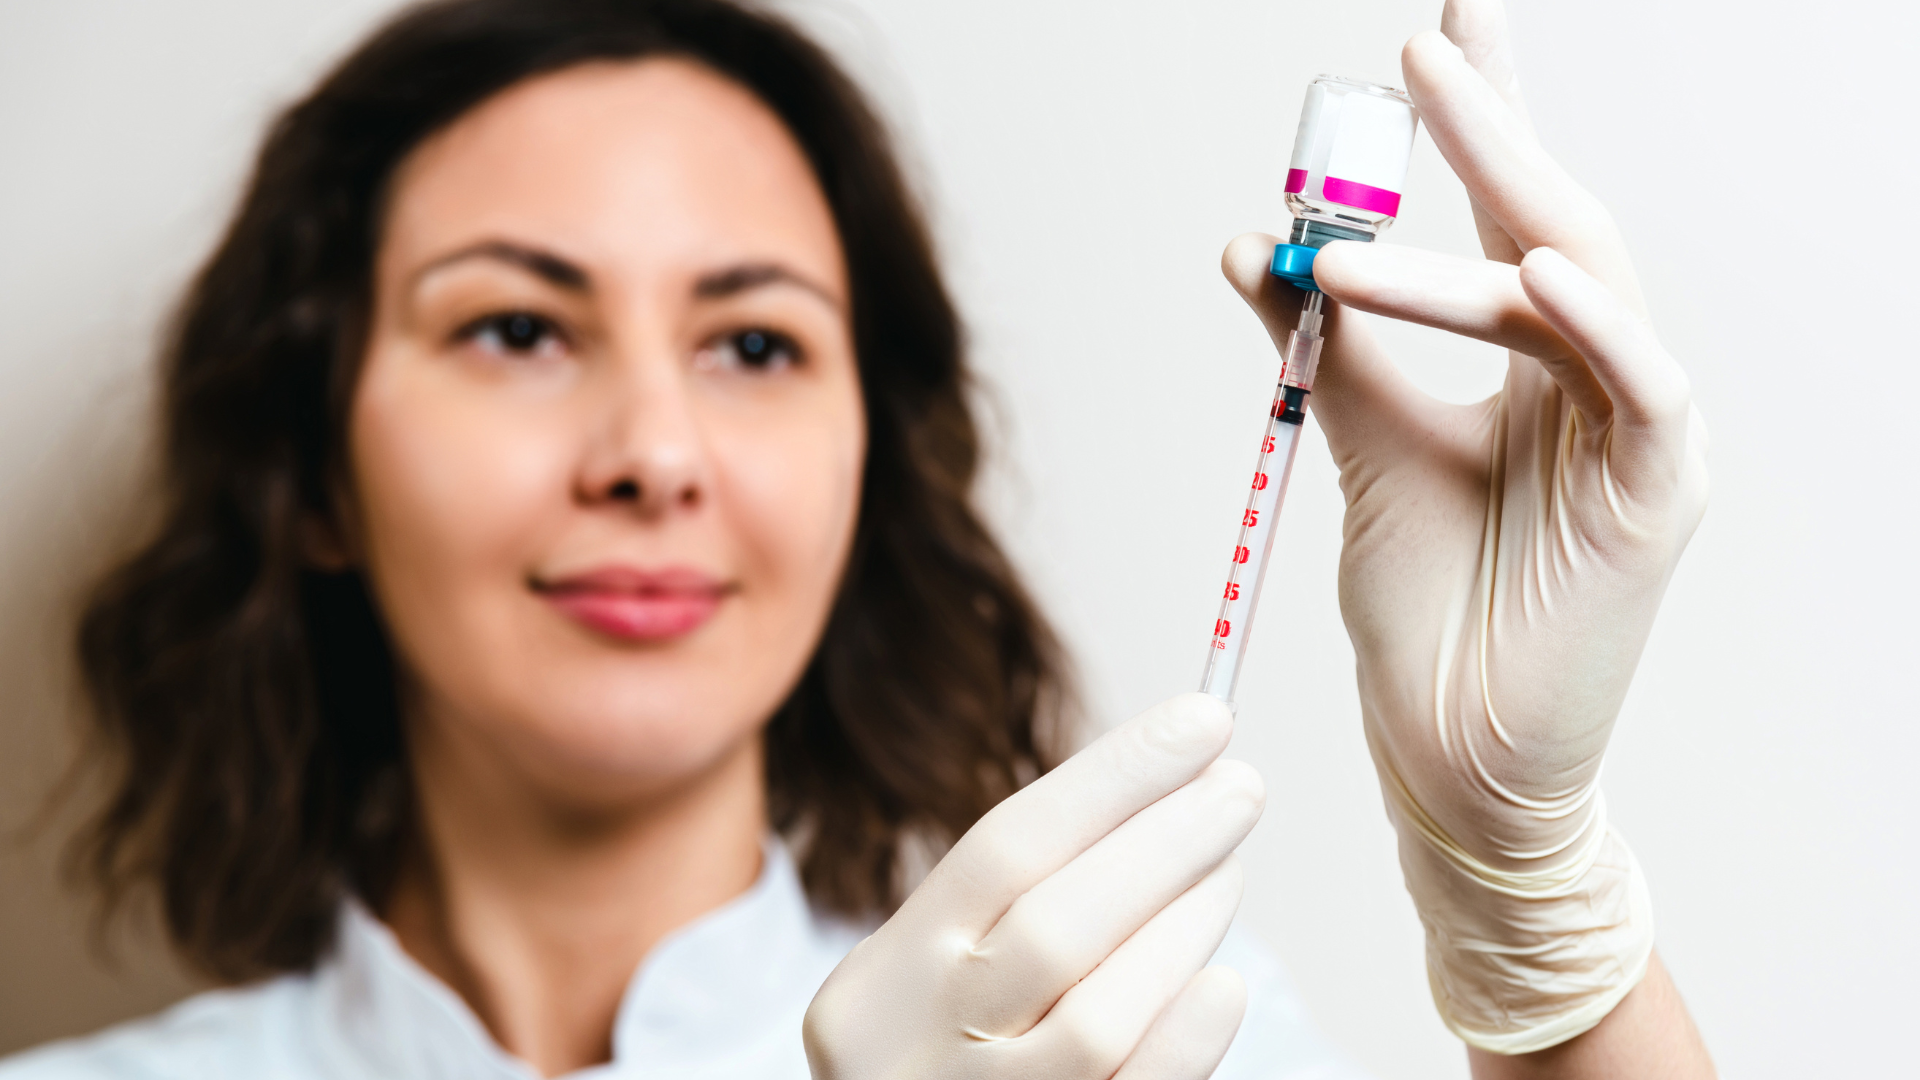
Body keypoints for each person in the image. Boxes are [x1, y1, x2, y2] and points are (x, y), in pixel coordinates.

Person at [0, 0, 1716, 1076]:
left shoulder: (1142, 1033)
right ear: (310, 469)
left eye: (754, 345)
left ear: (861, 467)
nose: (655, 454)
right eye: (517, 329)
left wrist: (1532, 904)